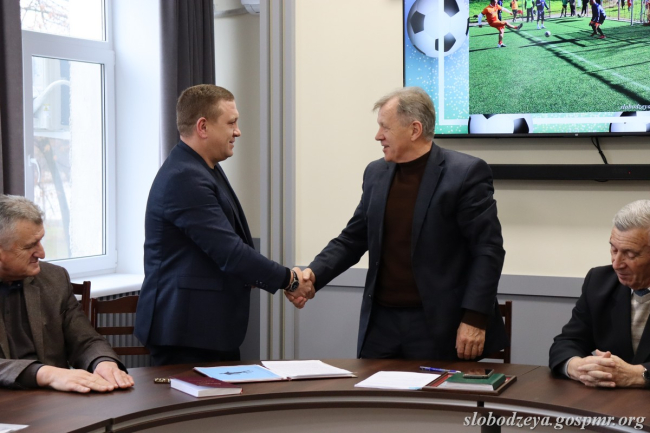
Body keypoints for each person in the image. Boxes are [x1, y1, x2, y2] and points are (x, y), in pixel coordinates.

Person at [287, 87, 508, 361]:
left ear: (414, 130)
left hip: (439, 325)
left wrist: (474, 317)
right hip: (381, 325)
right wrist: (312, 275)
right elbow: (353, 238)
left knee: (436, 392)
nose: (378, 136)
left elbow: (487, 250)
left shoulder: (465, 173)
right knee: (372, 391)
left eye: (385, 127)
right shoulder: (375, 172)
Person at [135, 85, 314, 366]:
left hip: (205, 330)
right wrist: (290, 280)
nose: (237, 132)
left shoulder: (203, 168)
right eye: (231, 123)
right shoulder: (185, 177)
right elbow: (230, 252)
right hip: (186, 333)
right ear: (203, 127)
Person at [0, 195, 133, 392]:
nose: (42, 253)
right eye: (29, 246)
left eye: (40, 241)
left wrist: (102, 361)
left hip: (54, 400)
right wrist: (45, 373)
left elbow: (85, 340)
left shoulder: (54, 278)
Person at [549, 200, 650, 388]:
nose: (616, 263)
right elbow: (567, 342)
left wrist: (638, 374)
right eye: (613, 249)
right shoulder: (598, 282)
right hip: (607, 401)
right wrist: (578, 366)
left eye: (630, 254)